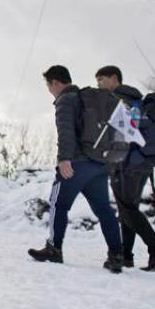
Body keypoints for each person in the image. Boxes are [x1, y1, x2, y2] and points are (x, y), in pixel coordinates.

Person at [28, 65, 125, 273]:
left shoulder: (66, 100)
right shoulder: (88, 98)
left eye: (48, 86)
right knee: (104, 210)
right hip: (100, 164)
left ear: (55, 82)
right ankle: (117, 254)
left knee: (58, 203)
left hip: (77, 163)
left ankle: (54, 249)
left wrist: (64, 159)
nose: (49, 91)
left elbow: (66, 131)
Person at [95, 65, 155, 271]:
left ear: (114, 78)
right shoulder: (136, 100)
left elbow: (122, 135)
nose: (99, 85)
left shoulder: (121, 101)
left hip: (127, 163)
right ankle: (126, 256)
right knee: (127, 209)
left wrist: (109, 157)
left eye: (101, 80)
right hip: (141, 163)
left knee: (127, 209)